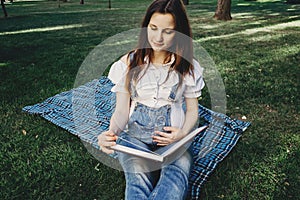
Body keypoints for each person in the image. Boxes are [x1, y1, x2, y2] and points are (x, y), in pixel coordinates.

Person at [98, 0, 205, 199]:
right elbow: (121, 111)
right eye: (153, 28)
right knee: (137, 178)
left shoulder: (188, 67)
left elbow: (192, 111)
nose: (158, 37)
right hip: (135, 139)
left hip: (173, 141)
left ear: (179, 33)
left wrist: (181, 134)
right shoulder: (128, 63)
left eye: (168, 31)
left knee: (178, 174)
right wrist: (111, 133)